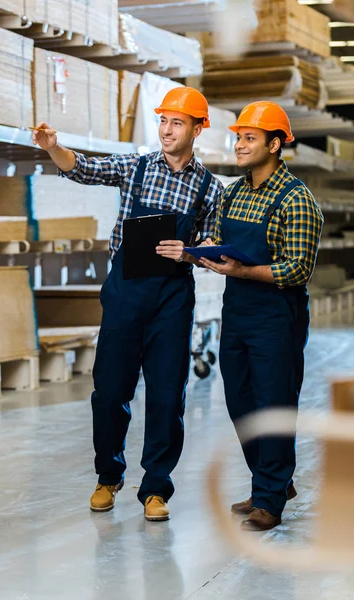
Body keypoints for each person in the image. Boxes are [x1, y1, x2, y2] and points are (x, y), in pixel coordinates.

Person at [33, 87, 223, 521]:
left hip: (172, 299)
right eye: (163, 121)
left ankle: (156, 488)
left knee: (166, 395)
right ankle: (108, 476)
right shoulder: (136, 167)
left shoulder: (210, 187)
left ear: (197, 129)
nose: (167, 130)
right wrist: (54, 147)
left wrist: (192, 253)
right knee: (111, 390)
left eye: (177, 123)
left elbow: (212, 243)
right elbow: (84, 169)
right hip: (124, 293)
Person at [199, 101, 323, 532]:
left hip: (276, 315)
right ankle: (273, 480)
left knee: (274, 404)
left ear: (275, 144)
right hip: (237, 311)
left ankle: (269, 497)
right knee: (242, 403)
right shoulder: (232, 192)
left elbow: (296, 268)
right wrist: (206, 254)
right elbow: (219, 237)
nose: (239, 144)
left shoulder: (297, 199)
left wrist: (244, 270)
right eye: (238, 137)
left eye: (249, 138)